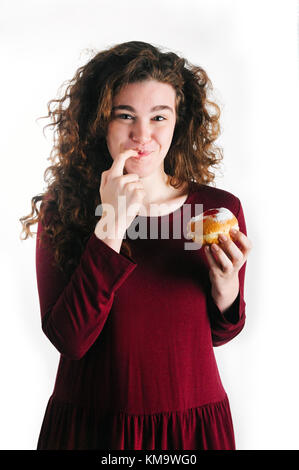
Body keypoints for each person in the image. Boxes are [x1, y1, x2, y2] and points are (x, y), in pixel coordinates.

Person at [19, 40, 252, 450]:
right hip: (91, 429)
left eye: (158, 116)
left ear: (179, 121)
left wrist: (226, 287)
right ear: (99, 122)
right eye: (124, 115)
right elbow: (69, 339)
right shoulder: (66, 208)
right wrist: (110, 224)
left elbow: (218, 334)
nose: (142, 135)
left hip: (191, 427)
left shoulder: (218, 210)